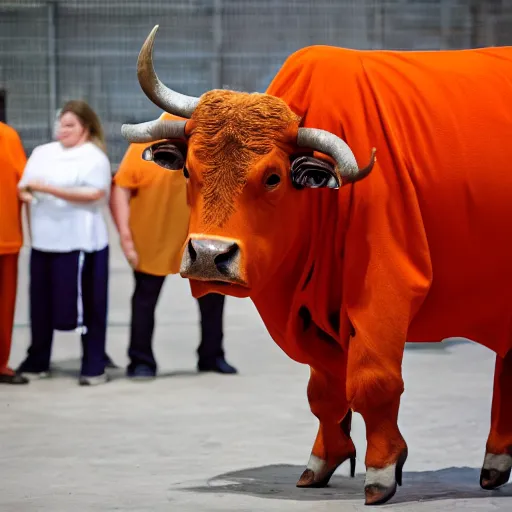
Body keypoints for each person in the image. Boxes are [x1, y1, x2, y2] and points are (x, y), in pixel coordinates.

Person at [110, 112, 237, 379]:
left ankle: (212, 355)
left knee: (212, 296)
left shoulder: (207, 146)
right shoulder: (144, 146)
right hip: (153, 233)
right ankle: (140, 359)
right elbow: (121, 186)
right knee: (145, 298)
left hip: (200, 235)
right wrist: (125, 236)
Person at [16, 100, 113, 386]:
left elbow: (96, 194)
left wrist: (47, 189)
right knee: (40, 305)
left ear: (86, 128)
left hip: (82, 244)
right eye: (61, 123)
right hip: (45, 242)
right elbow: (24, 186)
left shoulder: (93, 157)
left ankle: (93, 364)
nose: (63, 129)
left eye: (70, 125)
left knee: (89, 307)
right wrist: (31, 195)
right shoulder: (42, 153)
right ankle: (38, 359)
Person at [0, 121, 29, 384]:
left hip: (7, 237)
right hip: (6, 234)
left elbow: (25, 183)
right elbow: (25, 184)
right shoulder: (7, 135)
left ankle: (1, 363)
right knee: (4, 304)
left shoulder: (8, 136)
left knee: (5, 305)